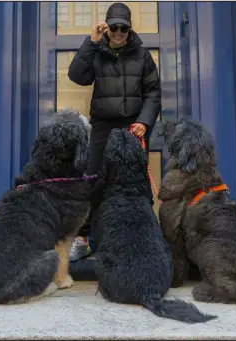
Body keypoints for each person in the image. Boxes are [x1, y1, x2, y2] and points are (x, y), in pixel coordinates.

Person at [67, 2, 161, 261]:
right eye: (114, 28)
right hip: (102, 126)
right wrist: (91, 41)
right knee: (94, 180)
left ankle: (144, 237)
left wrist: (145, 121)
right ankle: (83, 238)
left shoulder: (142, 56)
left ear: (129, 29)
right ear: (107, 28)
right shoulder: (97, 50)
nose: (119, 33)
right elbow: (77, 76)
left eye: (124, 28)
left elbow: (153, 91)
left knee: (137, 181)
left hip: (134, 126)